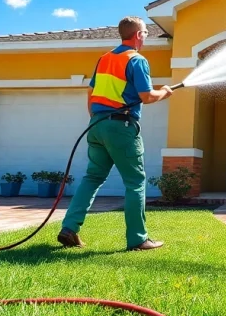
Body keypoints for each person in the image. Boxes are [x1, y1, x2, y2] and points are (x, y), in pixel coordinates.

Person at [58, 16, 174, 251]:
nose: (146, 38)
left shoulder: (104, 59)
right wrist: (165, 92)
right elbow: (147, 97)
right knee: (135, 181)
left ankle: (69, 228)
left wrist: (96, 118)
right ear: (139, 35)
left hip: (97, 125)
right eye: (146, 34)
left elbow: (91, 92)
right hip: (121, 127)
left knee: (92, 178)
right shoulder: (137, 60)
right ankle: (138, 239)